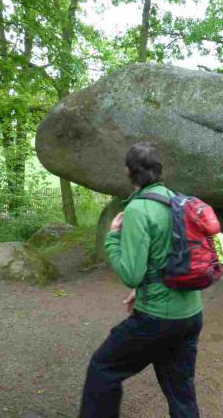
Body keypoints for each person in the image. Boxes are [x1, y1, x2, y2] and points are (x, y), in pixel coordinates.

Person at [80, 142, 203, 418]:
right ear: (159, 170)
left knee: (103, 368)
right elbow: (172, 257)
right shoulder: (176, 200)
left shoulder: (138, 210)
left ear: (128, 171)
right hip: (191, 313)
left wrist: (112, 237)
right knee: (180, 388)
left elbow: (131, 274)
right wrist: (143, 288)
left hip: (157, 317)